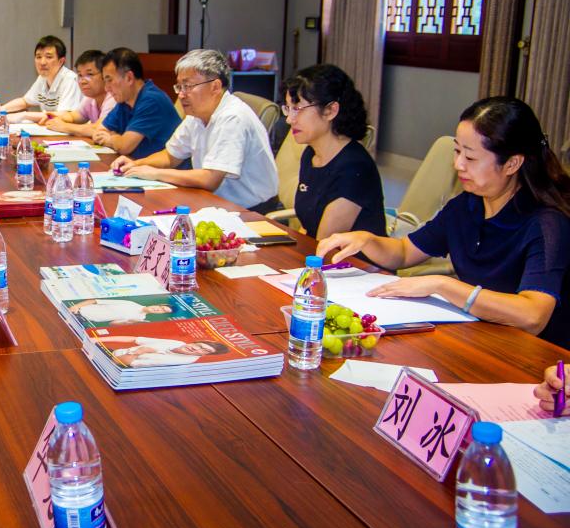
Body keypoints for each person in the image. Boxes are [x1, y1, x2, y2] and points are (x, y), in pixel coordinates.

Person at [317, 96, 570, 348]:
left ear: (512, 164)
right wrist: (367, 240)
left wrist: (443, 285)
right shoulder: (467, 205)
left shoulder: (546, 224)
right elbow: (405, 252)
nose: (458, 164)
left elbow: (533, 316)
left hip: (536, 354)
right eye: (457, 151)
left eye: (470, 158)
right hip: (481, 337)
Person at [109, 49, 276, 211]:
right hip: (214, 201)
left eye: (187, 86)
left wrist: (155, 173)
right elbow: (170, 156)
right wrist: (135, 164)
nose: (181, 95)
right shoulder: (196, 115)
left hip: (252, 210)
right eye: (179, 87)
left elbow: (210, 179)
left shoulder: (232, 117)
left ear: (215, 87)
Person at [283, 64, 385, 237]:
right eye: (288, 108)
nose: (289, 119)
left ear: (330, 110)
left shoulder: (354, 167)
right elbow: (308, 227)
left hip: (347, 255)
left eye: (298, 109)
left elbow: (325, 243)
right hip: (317, 251)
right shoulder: (311, 154)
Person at [92, 47, 181, 159]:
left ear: (129, 78)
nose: (106, 88)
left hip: (165, 168)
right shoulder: (124, 100)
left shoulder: (151, 100)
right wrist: (119, 139)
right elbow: (99, 132)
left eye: (109, 80)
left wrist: (111, 138)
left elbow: (124, 146)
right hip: (137, 164)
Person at [0, 35, 80, 122]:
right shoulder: (42, 78)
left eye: (49, 57)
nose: (42, 62)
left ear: (61, 61)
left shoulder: (70, 80)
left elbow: (63, 115)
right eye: (38, 57)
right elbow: (25, 102)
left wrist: (24, 115)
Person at [43, 49, 116, 137]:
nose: (82, 81)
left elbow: (101, 129)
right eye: (80, 75)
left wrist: (64, 126)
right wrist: (58, 119)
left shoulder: (114, 96)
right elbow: (75, 116)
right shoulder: (90, 98)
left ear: (104, 75)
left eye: (90, 74)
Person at [100, 335, 229, 368]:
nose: (196, 348)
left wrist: (138, 352)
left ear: (204, 355)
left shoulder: (179, 361)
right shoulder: (179, 343)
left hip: (112, 364)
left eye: (204, 350)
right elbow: (135, 339)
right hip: (111, 352)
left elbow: (119, 363)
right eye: (199, 345)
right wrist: (97, 339)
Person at [66, 299, 175, 325]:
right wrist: (75, 307)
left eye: (162, 311)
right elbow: (95, 301)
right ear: (158, 304)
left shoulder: (140, 319)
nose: (158, 309)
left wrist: (129, 322)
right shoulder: (131, 303)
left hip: (82, 321)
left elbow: (112, 323)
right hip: (77, 310)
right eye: (161, 307)